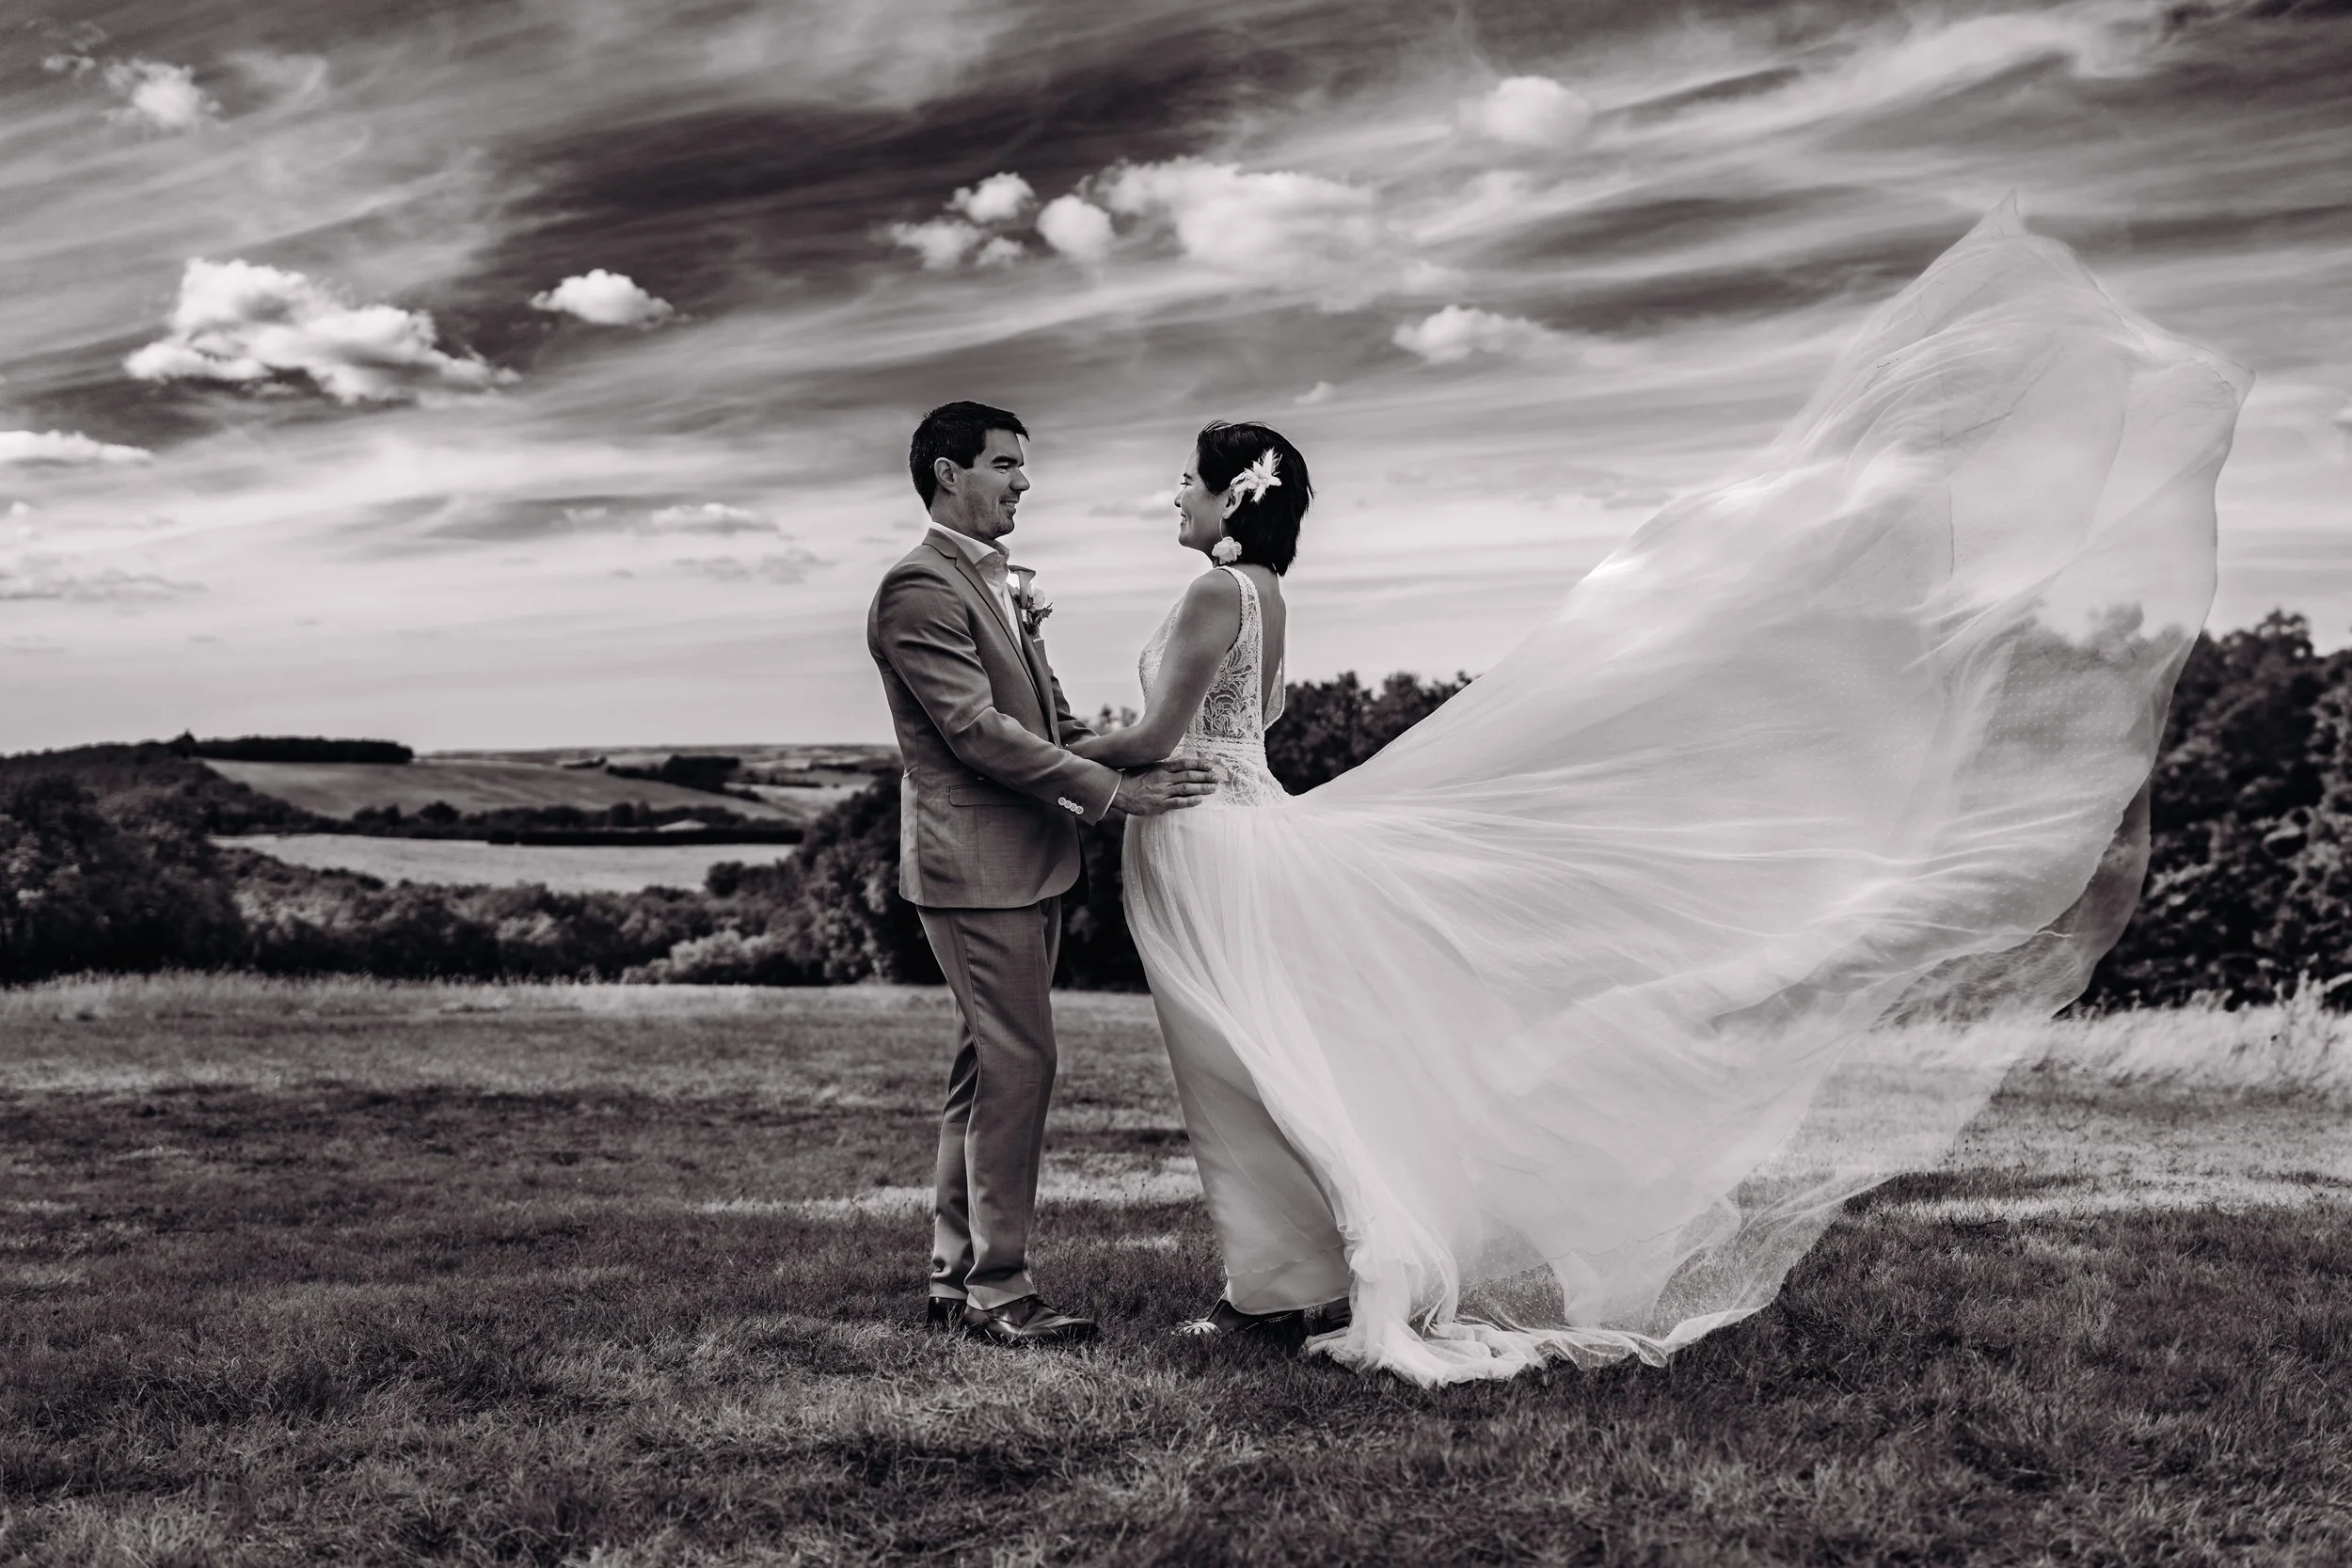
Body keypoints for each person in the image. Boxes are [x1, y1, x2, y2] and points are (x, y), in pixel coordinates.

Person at [1072, 201, 2251, 1385]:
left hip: (1201, 837)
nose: (1174, 493)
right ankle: (1293, 1275)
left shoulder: (1212, 591)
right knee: (1268, 1062)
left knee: (1234, 1072)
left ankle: (1272, 1291)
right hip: (1238, 820)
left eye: (1186, 480)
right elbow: (1256, 724)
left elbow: (1161, 735)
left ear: (1232, 495)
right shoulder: (1268, 594)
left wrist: (1057, 736)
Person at [867, 400, 1216, 1348]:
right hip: (975, 867)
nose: (1023, 481)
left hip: (1027, 860)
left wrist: (1133, 753)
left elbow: (1048, 722)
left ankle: (954, 1281)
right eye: (1005, 464)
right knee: (1021, 1066)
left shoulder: (1001, 583)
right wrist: (1112, 793)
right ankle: (999, 1290)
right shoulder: (917, 587)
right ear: (948, 473)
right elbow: (977, 734)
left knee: (988, 1069)